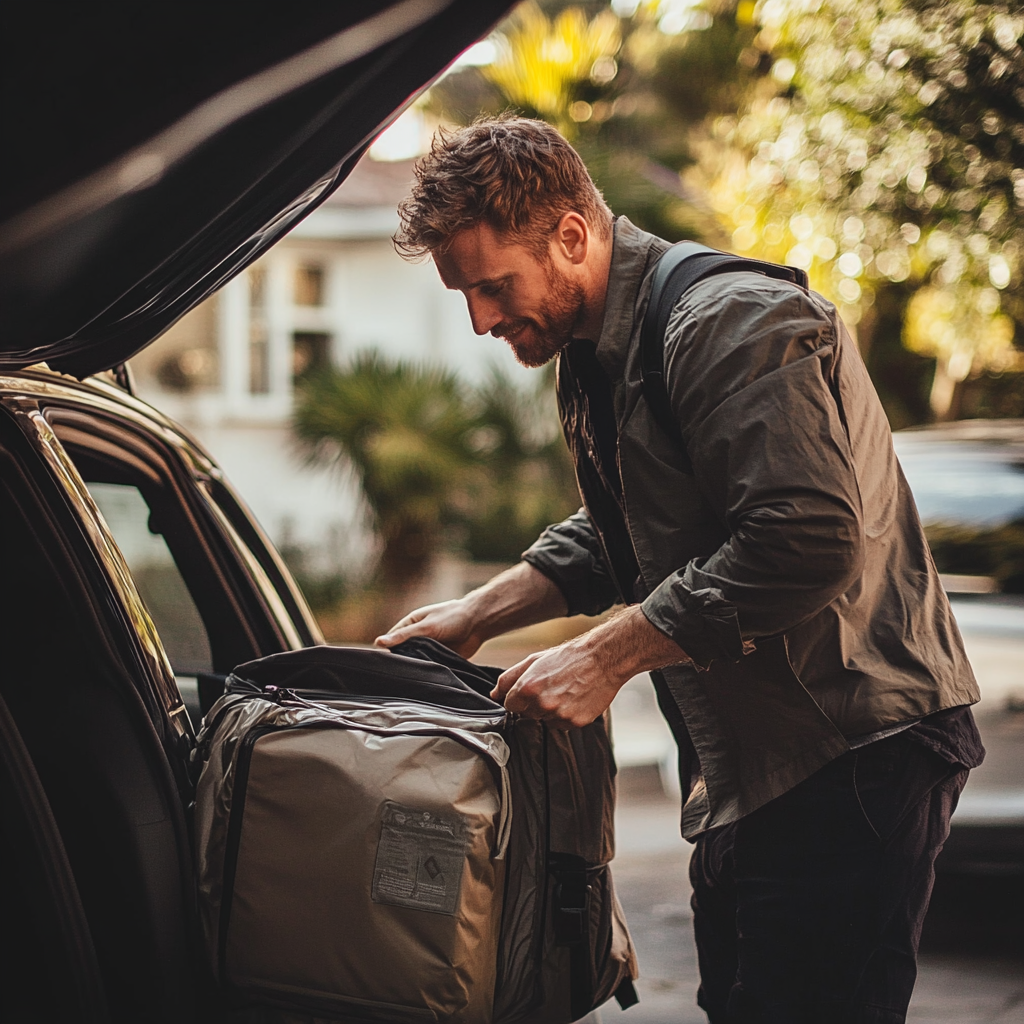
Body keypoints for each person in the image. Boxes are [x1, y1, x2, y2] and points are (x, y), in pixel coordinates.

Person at [376, 115, 984, 1024]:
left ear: (572, 236)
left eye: (494, 285)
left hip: (853, 754)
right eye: (467, 294)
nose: (482, 320)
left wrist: (604, 656)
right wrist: (482, 611)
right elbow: (639, 518)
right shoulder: (595, 348)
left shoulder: (725, 322)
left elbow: (806, 536)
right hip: (758, 765)